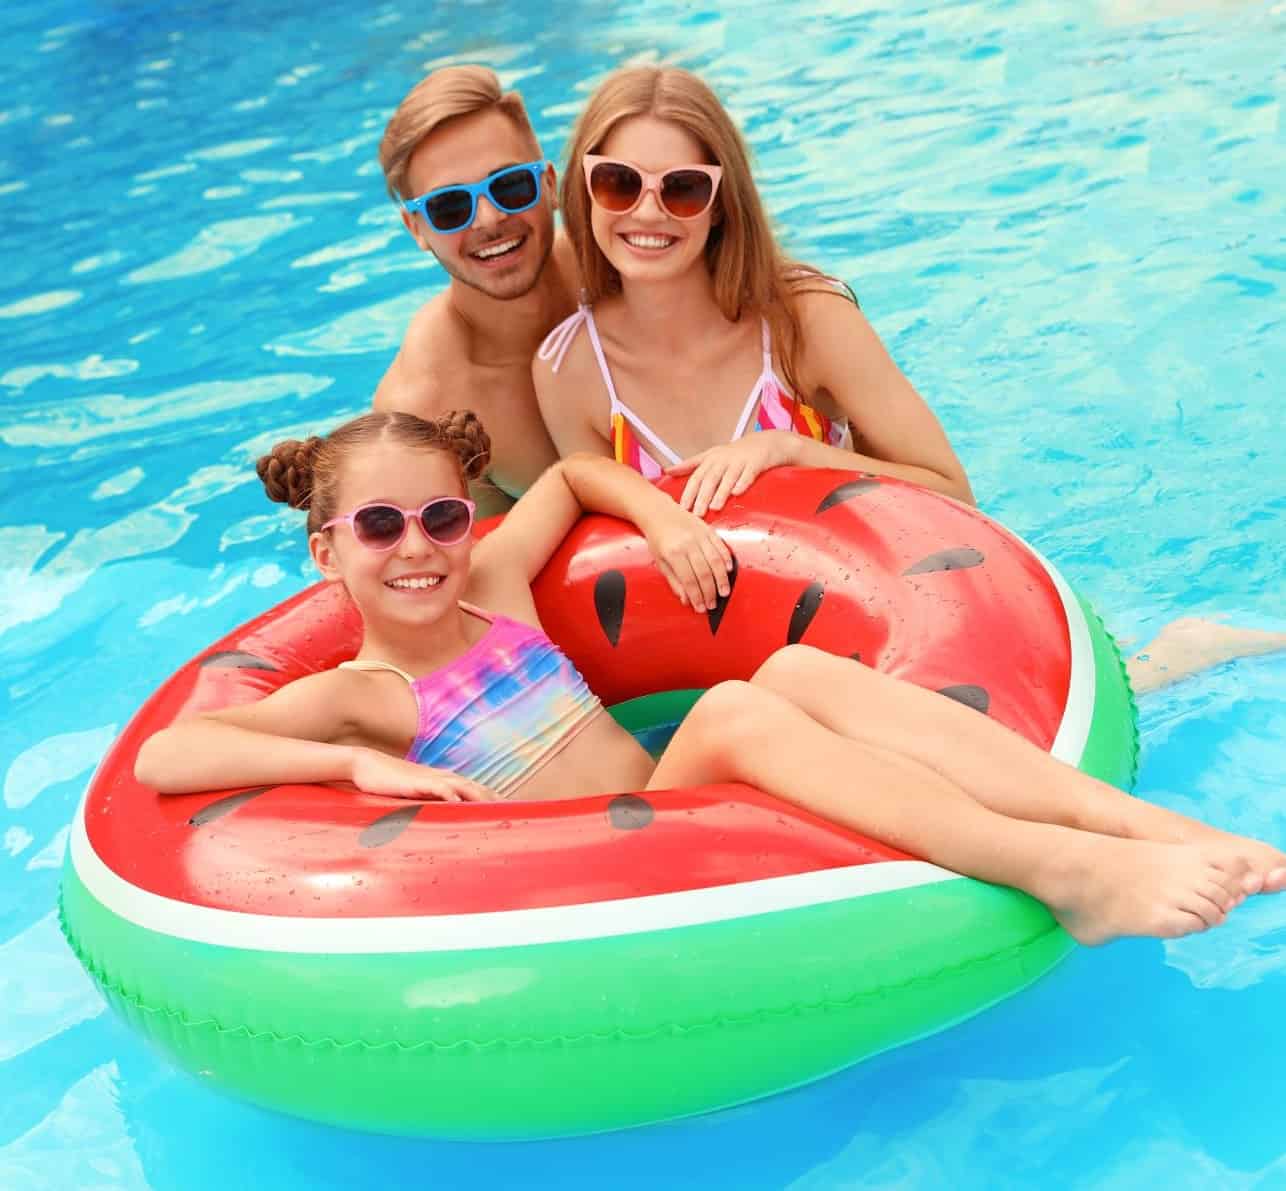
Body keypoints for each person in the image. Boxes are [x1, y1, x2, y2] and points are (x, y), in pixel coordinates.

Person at [133, 409, 1286, 946]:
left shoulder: (503, 585)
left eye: (439, 514)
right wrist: (340, 761)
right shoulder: (361, 693)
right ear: (326, 553)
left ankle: (1129, 819)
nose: (420, 546)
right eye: (379, 527)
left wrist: (658, 518)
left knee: (787, 662)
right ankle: (1064, 871)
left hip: (680, 793)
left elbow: (580, 471)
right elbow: (171, 754)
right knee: (739, 702)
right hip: (614, 869)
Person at [532, 64, 1285, 694]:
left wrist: (790, 454)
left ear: (723, 201)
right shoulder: (568, 372)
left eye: (684, 188)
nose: (649, 212)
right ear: (584, 187)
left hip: (879, 630)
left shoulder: (804, 321)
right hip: (725, 671)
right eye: (619, 183)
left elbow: (952, 491)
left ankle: (1174, 653)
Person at [374, 65, 576, 515]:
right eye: (449, 207)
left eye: (510, 186)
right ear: (416, 228)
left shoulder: (622, 270)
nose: (487, 219)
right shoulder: (426, 410)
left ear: (549, 184)